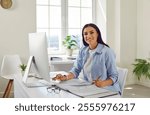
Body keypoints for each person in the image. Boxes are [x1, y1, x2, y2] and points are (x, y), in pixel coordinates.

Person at [53, 23, 121, 94]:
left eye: (91, 32)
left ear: (97, 34)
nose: (88, 36)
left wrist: (103, 83)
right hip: (89, 87)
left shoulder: (107, 52)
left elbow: (114, 76)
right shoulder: (83, 50)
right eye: (85, 34)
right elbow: (76, 69)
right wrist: (65, 77)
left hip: (107, 90)